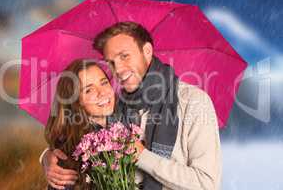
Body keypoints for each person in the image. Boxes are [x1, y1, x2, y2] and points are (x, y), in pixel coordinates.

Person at [41, 21, 222, 190]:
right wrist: (48, 158)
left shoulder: (192, 102)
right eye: (111, 62)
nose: (118, 69)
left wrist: (142, 156)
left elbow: (206, 184)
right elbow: (82, 135)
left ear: (147, 51)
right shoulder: (116, 107)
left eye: (124, 56)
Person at [44, 59, 116, 189]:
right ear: (76, 102)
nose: (102, 92)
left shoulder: (126, 129)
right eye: (89, 90)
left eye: (104, 83)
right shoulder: (69, 156)